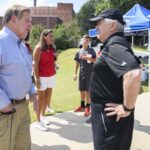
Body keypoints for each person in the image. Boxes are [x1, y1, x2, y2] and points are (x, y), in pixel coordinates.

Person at [89, 8, 141, 150]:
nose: (96, 27)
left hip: (109, 118)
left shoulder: (114, 46)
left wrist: (126, 108)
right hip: (108, 117)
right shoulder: (114, 44)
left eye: (99, 23)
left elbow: (134, 73)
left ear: (112, 25)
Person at [0, 5, 37, 150]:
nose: (30, 25)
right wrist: (3, 104)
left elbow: (26, 72)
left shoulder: (21, 45)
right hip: (6, 111)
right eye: (27, 20)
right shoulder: (1, 42)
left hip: (23, 108)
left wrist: (32, 91)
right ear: (14, 19)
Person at [33, 29, 58, 131]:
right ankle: (38, 121)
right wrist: (37, 79)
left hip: (51, 75)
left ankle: (43, 117)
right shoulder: (38, 48)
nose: (52, 38)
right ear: (44, 37)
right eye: (50, 36)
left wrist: (55, 57)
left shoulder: (52, 47)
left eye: (52, 36)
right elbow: (35, 66)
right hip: (42, 77)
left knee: (47, 98)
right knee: (40, 99)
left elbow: (52, 61)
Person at [74, 35, 96, 117]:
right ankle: (82, 106)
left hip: (90, 73)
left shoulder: (91, 50)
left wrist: (87, 58)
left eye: (87, 40)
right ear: (82, 40)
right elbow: (77, 63)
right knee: (81, 90)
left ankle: (87, 108)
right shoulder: (78, 51)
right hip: (82, 73)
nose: (86, 40)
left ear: (89, 41)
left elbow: (95, 60)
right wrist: (75, 73)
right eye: (84, 39)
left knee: (87, 91)